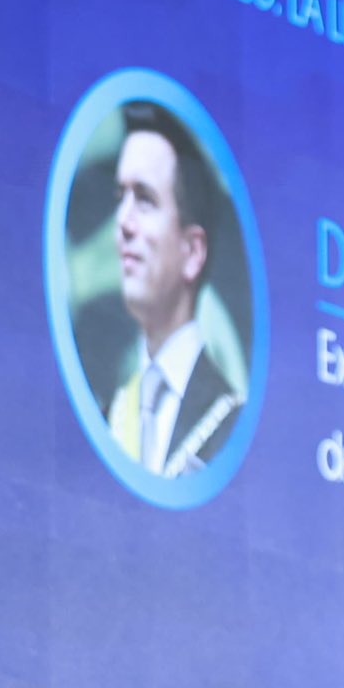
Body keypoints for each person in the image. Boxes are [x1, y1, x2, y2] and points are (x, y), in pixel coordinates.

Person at [103, 103, 241, 476]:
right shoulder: (109, 419)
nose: (122, 222)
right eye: (120, 197)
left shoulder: (232, 426)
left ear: (192, 252)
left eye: (144, 200)